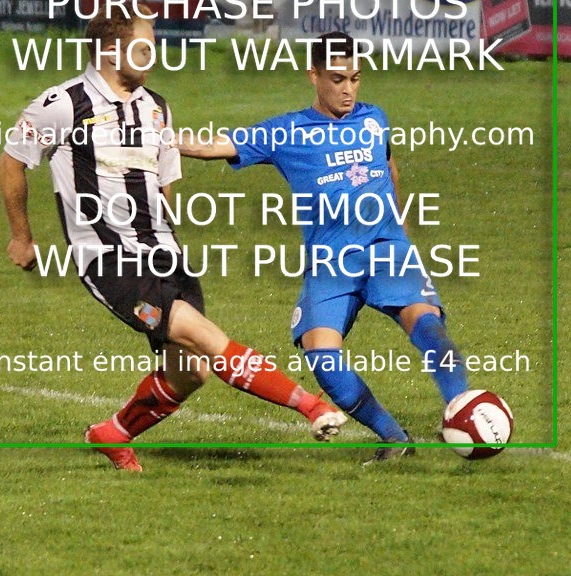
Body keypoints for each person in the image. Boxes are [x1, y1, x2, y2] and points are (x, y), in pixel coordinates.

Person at [0, 4, 346, 472]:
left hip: (164, 254)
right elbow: (12, 161)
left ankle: (112, 433)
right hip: (109, 259)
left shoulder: (156, 107)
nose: (154, 57)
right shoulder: (63, 104)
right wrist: (21, 236)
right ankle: (312, 406)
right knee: (205, 337)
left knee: (192, 372)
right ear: (110, 51)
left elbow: (164, 183)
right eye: (144, 48)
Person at [178, 32, 469, 460]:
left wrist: (401, 228)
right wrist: (163, 138)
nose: (348, 89)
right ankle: (394, 440)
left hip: (385, 248)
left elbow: (388, 166)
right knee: (323, 359)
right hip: (330, 262)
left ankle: (462, 411)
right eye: (337, 79)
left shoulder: (374, 119)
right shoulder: (287, 131)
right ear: (313, 75)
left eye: (355, 78)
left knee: (427, 325)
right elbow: (211, 146)